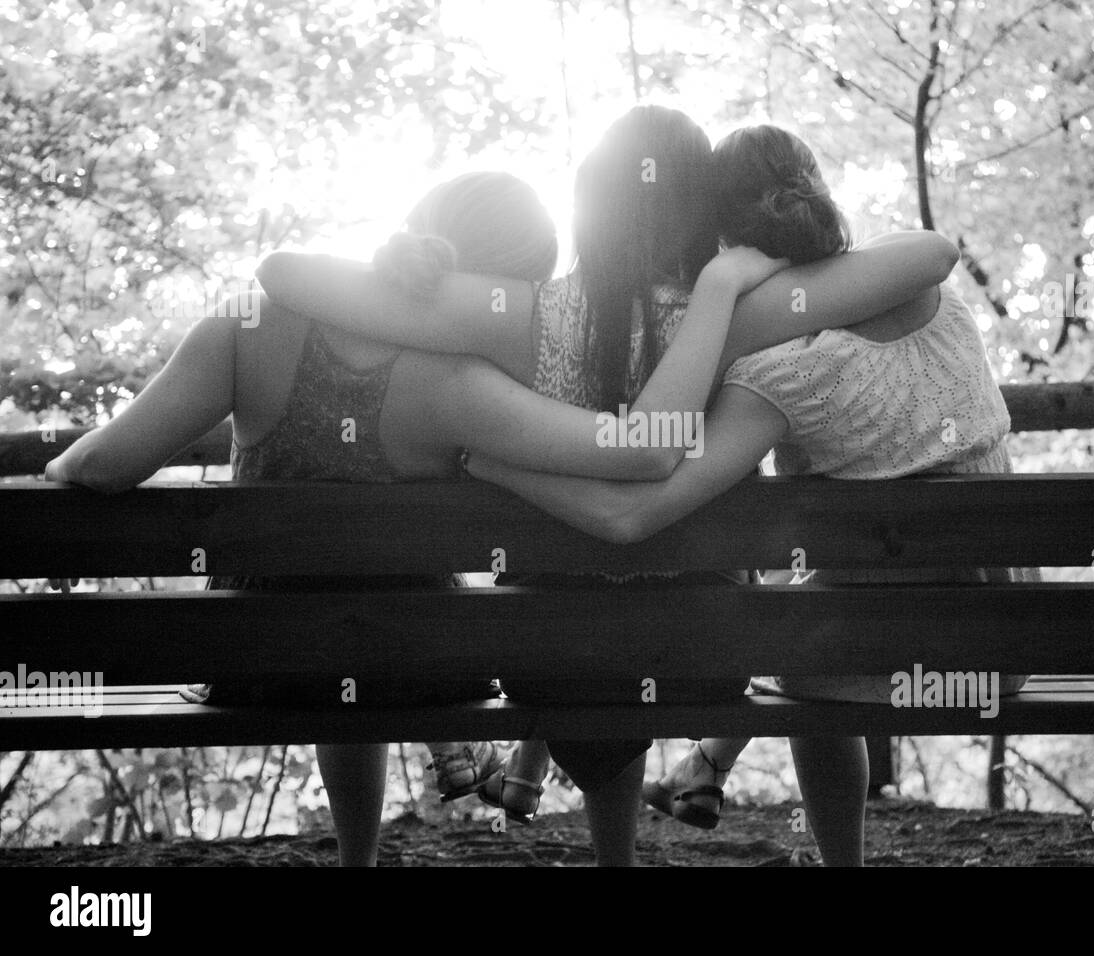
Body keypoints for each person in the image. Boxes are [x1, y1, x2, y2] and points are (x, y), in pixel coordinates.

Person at [255, 106, 962, 864]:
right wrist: (736, 273)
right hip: (706, 655)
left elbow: (281, 275)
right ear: (705, 209)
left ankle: (614, 860)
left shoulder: (515, 316)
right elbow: (932, 255)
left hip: (552, 656)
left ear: (587, 201)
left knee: (589, 618)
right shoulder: (742, 313)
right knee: (643, 617)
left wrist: (401, 265)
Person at [43, 167, 786, 864]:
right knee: (366, 630)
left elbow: (105, 466)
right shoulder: (464, 382)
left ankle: (357, 861)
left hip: (257, 663)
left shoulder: (247, 326)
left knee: (331, 632)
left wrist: (62, 465)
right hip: (419, 666)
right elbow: (626, 450)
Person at [463, 124, 1035, 866]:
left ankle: (822, 847)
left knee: (799, 646)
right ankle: (709, 765)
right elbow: (935, 248)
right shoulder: (933, 293)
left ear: (723, 236)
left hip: (866, 661)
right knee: (795, 603)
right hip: (1008, 641)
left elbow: (633, 516)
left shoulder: (774, 374)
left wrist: (494, 464)